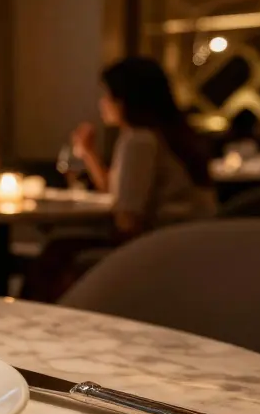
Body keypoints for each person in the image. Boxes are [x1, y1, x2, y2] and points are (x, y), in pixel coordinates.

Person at [23, 58, 217, 302]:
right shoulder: (166, 135)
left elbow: (128, 219)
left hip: (161, 245)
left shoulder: (139, 140)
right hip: (193, 242)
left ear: (125, 100)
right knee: (62, 243)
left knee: (57, 252)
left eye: (107, 95)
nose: (102, 103)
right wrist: (88, 153)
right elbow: (119, 192)